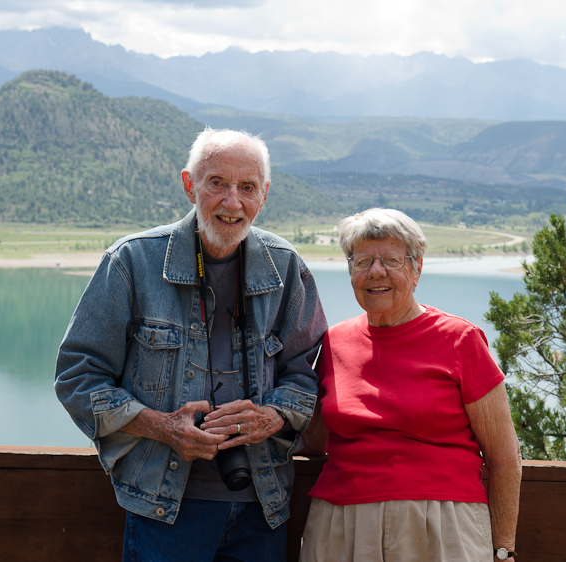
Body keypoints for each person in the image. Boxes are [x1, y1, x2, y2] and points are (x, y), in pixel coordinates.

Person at [55, 128, 327, 562]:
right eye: (216, 182)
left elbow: (307, 373)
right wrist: (161, 426)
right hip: (164, 509)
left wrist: (273, 416)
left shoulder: (286, 267)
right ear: (189, 186)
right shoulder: (132, 262)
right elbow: (77, 377)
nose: (232, 202)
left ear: (265, 195)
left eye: (247, 187)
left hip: (262, 506)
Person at [299, 208, 522, 562]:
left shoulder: (461, 340)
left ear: (416, 269)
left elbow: (504, 457)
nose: (376, 272)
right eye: (362, 261)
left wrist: (503, 548)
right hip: (340, 522)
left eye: (391, 260)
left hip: (443, 525)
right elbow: (316, 439)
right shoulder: (334, 343)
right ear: (350, 270)